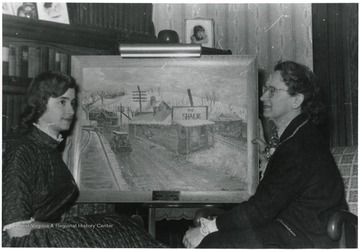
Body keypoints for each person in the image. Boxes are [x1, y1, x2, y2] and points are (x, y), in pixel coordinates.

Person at [183, 61, 348, 248]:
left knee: (213, 242)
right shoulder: (302, 135)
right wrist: (271, 159)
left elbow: (260, 209)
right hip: (295, 229)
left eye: (272, 91)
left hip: (306, 239)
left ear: (296, 100)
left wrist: (207, 229)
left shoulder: (298, 145)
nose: (262, 97)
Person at [2, 71, 164, 247]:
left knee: (120, 226)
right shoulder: (21, 151)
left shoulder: (46, 147)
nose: (71, 111)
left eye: (72, 103)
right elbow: (16, 230)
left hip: (45, 234)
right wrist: (68, 229)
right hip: (27, 242)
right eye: (62, 102)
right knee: (115, 232)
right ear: (41, 103)